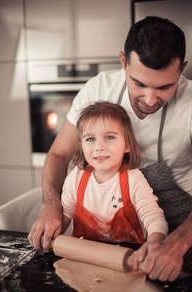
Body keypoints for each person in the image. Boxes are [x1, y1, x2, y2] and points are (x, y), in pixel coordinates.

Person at [28, 16, 192, 282]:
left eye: (165, 86)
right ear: (123, 62)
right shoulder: (98, 88)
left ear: (182, 69)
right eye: (138, 83)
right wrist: (51, 205)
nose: (150, 99)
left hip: (184, 226)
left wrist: (179, 241)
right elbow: (59, 154)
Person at [60, 101, 168, 247]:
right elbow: (65, 215)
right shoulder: (76, 178)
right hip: (84, 258)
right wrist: (50, 235)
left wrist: (153, 247)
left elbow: (155, 220)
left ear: (127, 145)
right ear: (82, 146)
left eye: (109, 137)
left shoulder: (133, 180)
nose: (99, 147)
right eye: (90, 139)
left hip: (128, 260)